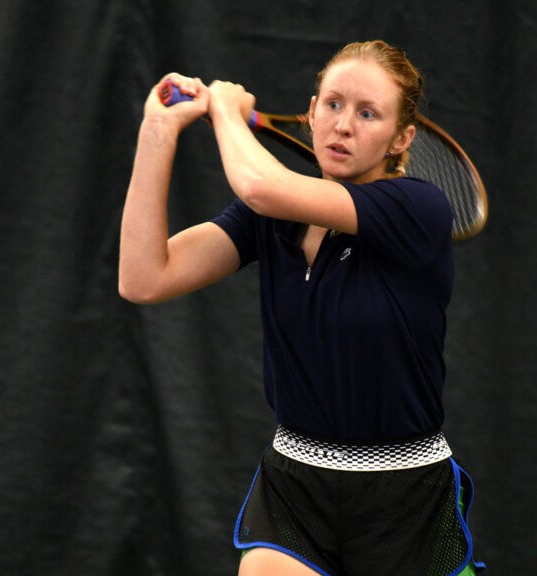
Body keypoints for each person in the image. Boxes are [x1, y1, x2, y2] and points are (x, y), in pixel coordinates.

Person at [119, 40, 483, 576]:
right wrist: (158, 132)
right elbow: (144, 277)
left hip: (405, 494)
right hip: (296, 482)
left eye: (367, 114)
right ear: (310, 112)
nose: (343, 125)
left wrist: (224, 113)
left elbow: (261, 186)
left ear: (401, 139)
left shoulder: (418, 209)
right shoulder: (270, 216)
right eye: (333, 105)